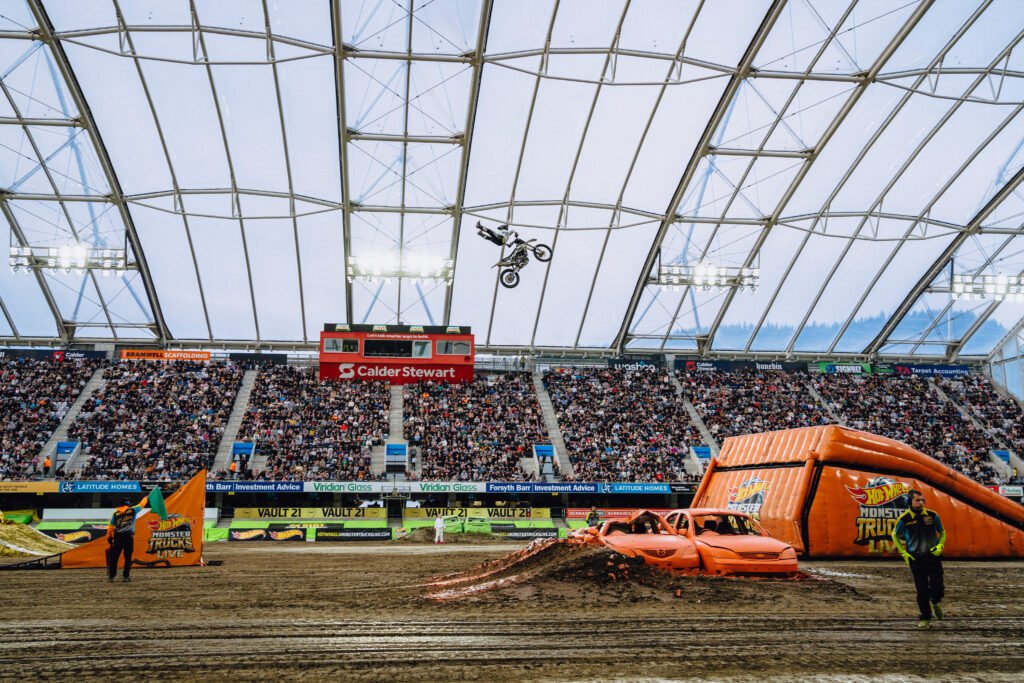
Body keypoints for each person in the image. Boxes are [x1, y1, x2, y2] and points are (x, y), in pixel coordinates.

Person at [891, 490, 947, 628]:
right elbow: (894, 535)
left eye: (922, 500)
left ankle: (935, 602)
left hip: (933, 557)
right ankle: (925, 617)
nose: (921, 502)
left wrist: (940, 546)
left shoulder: (932, 515)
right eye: (917, 500)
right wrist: (903, 553)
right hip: (916, 559)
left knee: (938, 586)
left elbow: (943, 532)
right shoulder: (904, 519)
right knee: (921, 590)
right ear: (909, 502)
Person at [106, 496, 147, 583]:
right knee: (128, 558)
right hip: (128, 537)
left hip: (117, 537)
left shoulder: (115, 513)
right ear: (128, 504)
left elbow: (110, 527)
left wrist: (109, 537)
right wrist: (146, 498)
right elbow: (142, 504)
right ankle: (126, 576)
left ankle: (111, 576)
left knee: (114, 557)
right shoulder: (133, 510)